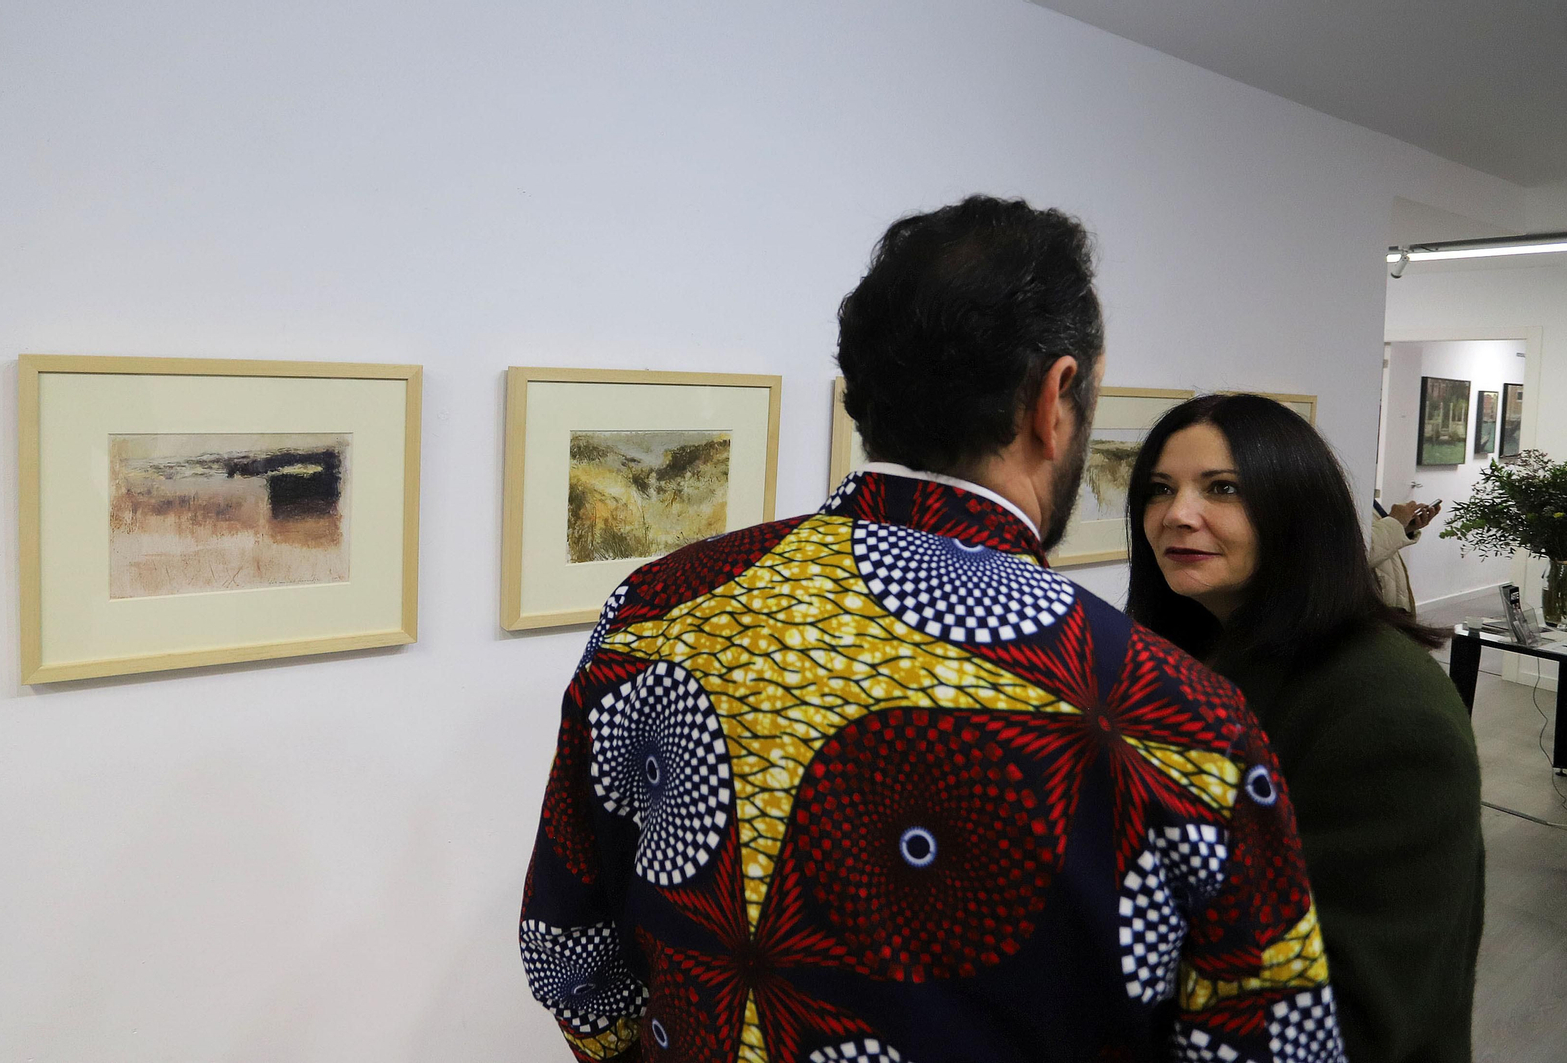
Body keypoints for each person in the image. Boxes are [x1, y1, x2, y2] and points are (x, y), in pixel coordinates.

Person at [520, 198, 1346, 1063]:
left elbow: (567, 946)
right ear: (1054, 396)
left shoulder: (659, 609)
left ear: (863, 394)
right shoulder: (1180, 720)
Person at [1124, 393, 1483, 1063]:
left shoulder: (1387, 708)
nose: (1177, 514)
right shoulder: (1194, 656)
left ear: (1296, 509)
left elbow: (1353, 1013)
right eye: (1159, 490)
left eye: (1222, 488)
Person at [1368, 498, 1440, 617]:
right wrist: (1395, 522)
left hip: (1388, 603)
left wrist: (1404, 527)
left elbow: (1372, 541)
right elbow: (1353, 555)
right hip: (1369, 612)